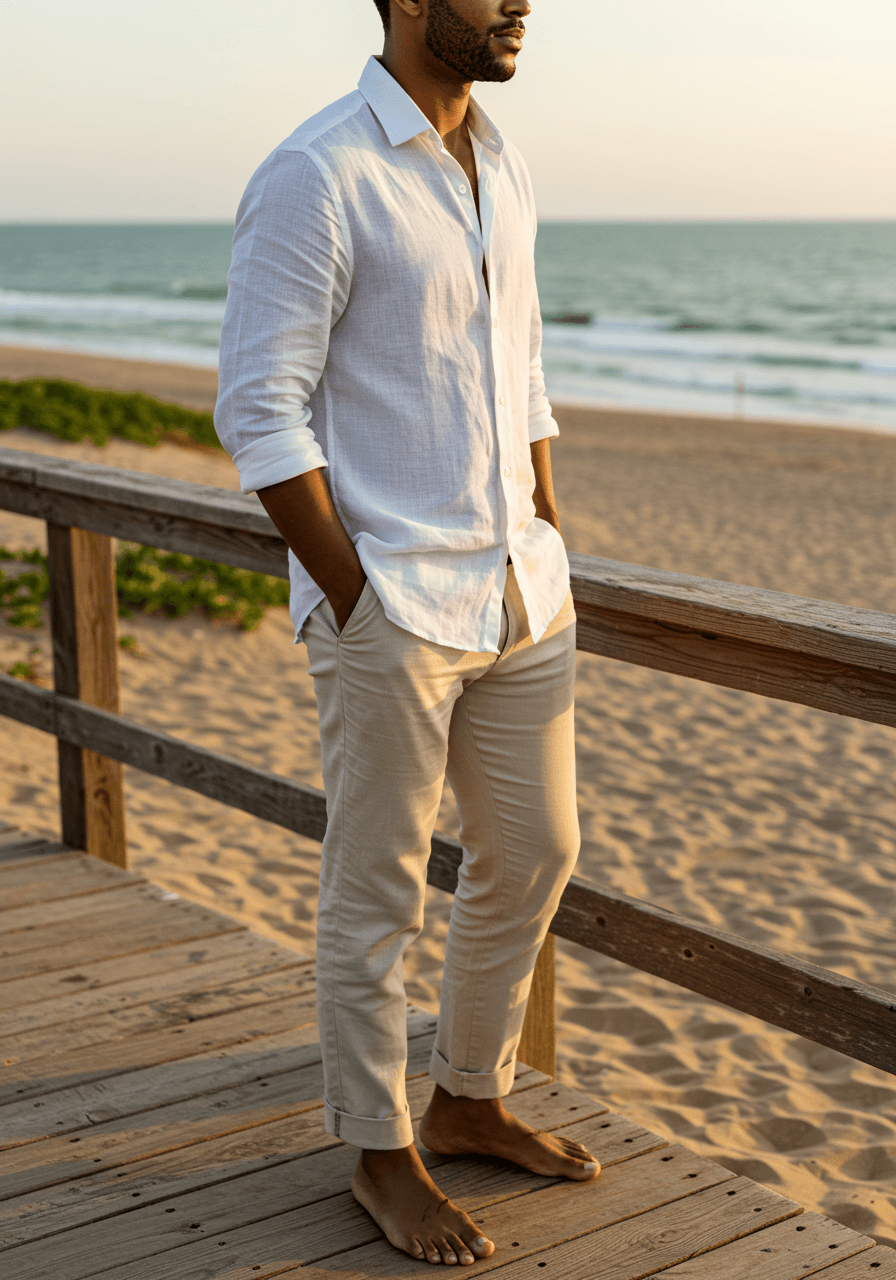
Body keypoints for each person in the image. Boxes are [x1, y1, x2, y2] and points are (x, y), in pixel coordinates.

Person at [215, 0, 599, 1265]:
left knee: (537, 850)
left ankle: (469, 1092)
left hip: (518, 594)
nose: (518, 3)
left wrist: (546, 532)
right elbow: (260, 413)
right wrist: (352, 592)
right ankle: (380, 1151)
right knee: (375, 883)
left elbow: (523, 373)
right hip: (391, 601)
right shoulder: (316, 172)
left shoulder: (505, 162)